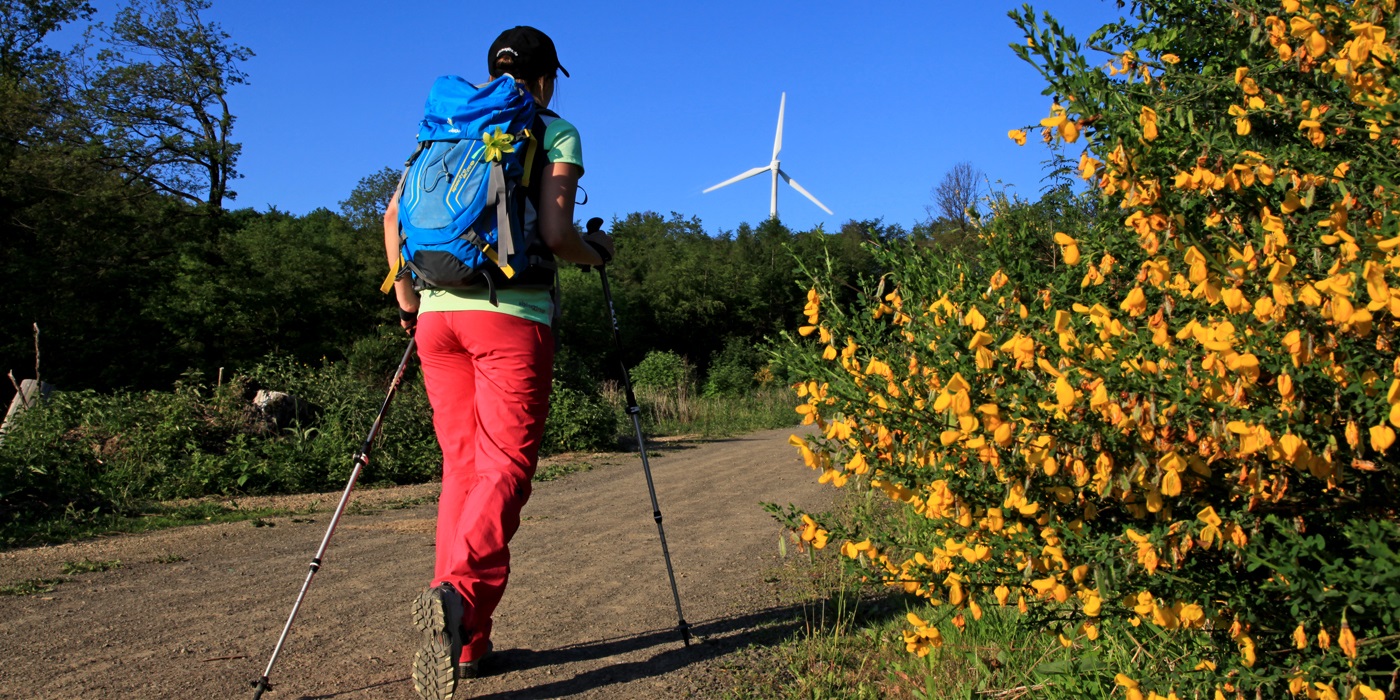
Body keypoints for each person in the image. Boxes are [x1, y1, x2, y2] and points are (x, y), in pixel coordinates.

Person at [381, 26, 614, 700]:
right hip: (509, 317)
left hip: (434, 316)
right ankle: (455, 597)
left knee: (464, 468)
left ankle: (469, 642)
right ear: (546, 78)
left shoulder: (445, 124)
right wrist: (597, 256)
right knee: (505, 468)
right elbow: (555, 234)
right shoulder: (554, 130)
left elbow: (395, 214)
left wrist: (406, 303)